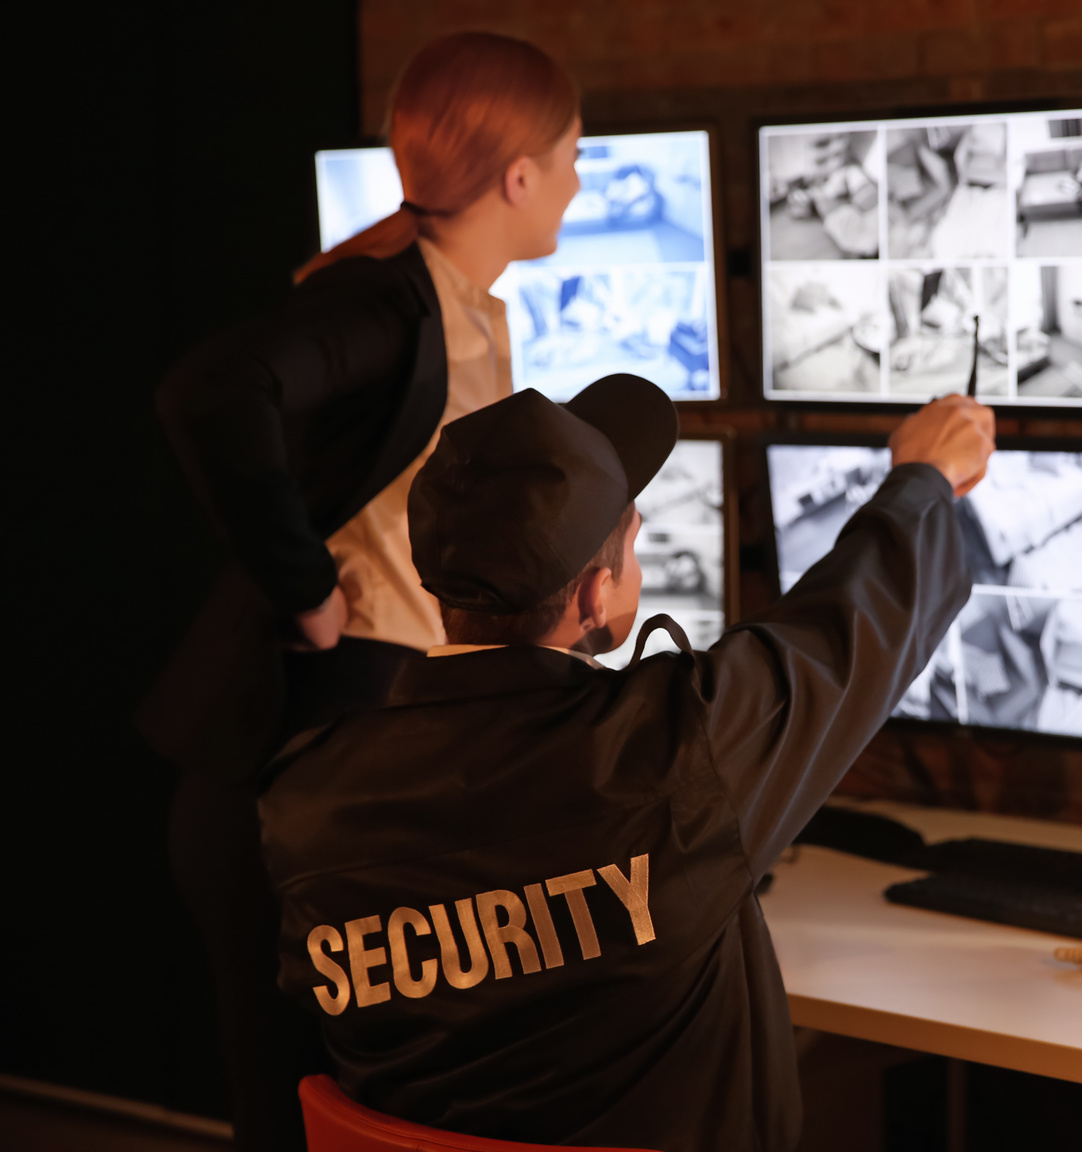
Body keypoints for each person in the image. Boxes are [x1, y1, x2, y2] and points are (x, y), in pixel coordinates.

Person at [258, 379, 995, 1152]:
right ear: (595, 596)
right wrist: (925, 477)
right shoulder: (674, 750)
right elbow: (850, 627)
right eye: (634, 541)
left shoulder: (302, 800)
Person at [136, 33, 580, 1151]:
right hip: (292, 771)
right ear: (517, 177)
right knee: (297, 1117)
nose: (579, 182)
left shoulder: (459, 303)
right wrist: (305, 590)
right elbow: (209, 394)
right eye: (573, 157)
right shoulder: (391, 304)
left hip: (358, 750)